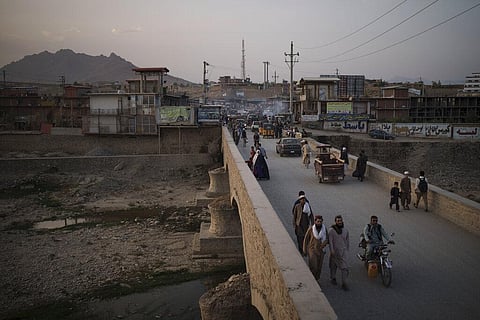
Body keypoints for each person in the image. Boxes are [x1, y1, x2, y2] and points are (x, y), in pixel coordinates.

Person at [303, 215, 329, 281]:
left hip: (321, 250)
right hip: (312, 250)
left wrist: (325, 243)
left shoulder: (324, 229)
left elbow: (327, 238)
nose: (319, 223)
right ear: (315, 221)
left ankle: (317, 279)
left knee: (319, 267)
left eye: (320, 221)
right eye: (318, 221)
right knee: (314, 266)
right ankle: (312, 279)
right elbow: (306, 239)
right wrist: (305, 250)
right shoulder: (311, 229)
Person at [328, 215, 350, 291]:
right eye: (338, 221)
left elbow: (347, 241)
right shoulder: (331, 230)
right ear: (335, 222)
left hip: (343, 252)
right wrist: (332, 250)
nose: (339, 222)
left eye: (340, 220)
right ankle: (333, 278)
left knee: (344, 268)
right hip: (335, 252)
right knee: (333, 266)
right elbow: (330, 241)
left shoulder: (345, 230)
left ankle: (344, 283)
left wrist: (346, 250)